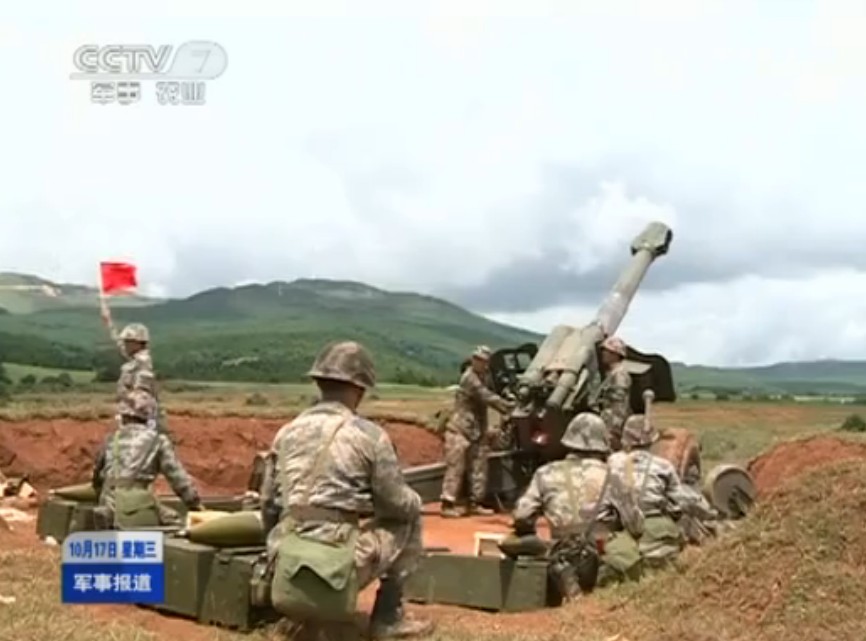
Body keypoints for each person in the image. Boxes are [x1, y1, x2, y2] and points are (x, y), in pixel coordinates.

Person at [260, 340, 433, 640]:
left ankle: (297, 612)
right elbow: (396, 503)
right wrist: (414, 500)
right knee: (410, 518)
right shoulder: (369, 436)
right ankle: (388, 618)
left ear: (319, 383)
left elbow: (268, 504)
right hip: (334, 565)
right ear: (360, 389)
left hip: (285, 558)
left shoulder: (285, 433)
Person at [506, 413, 645, 600]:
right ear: (602, 443)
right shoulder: (613, 476)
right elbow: (636, 526)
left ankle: (566, 580)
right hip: (601, 558)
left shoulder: (544, 473)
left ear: (569, 441)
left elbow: (521, 515)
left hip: (560, 555)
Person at [92, 323, 202, 528]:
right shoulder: (155, 441)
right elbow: (178, 480)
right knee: (176, 523)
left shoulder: (111, 440)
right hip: (133, 509)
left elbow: (96, 480)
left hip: (108, 505)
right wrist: (197, 506)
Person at [607, 414, 718, 568]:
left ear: (625, 440)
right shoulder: (663, 466)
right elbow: (682, 501)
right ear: (653, 440)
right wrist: (709, 513)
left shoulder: (613, 462)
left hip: (621, 532)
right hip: (656, 531)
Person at [439, 346, 515, 518]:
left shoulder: (485, 377)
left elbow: (494, 391)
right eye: (477, 359)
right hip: (461, 429)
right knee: (456, 466)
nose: (480, 363)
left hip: (477, 430)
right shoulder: (469, 378)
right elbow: (486, 396)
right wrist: (509, 407)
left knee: (479, 467)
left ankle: (475, 503)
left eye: (483, 361)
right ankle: (447, 504)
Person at [596, 336, 632, 451]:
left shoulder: (619, 374)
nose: (603, 354)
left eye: (607, 351)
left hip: (613, 425)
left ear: (615, 354)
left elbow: (619, 405)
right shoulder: (612, 373)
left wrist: (613, 429)